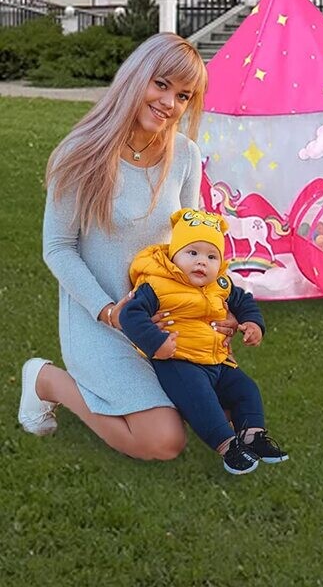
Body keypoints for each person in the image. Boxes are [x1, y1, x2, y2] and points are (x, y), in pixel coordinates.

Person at [18, 32, 238, 460]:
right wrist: (108, 310)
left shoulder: (186, 155)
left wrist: (215, 302)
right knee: (163, 440)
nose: (169, 102)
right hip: (98, 320)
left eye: (182, 95)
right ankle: (46, 379)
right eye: (161, 84)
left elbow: (189, 244)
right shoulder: (81, 153)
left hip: (162, 318)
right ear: (137, 77)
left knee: (228, 413)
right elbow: (58, 248)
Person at [120, 207, 288, 475]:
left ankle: (252, 437)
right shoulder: (158, 284)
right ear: (174, 255)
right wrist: (156, 343)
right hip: (179, 359)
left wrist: (253, 323)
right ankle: (227, 446)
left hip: (217, 360)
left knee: (246, 389)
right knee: (200, 398)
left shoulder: (219, 284)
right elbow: (131, 314)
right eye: (192, 253)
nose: (201, 262)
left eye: (211, 256)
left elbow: (243, 300)